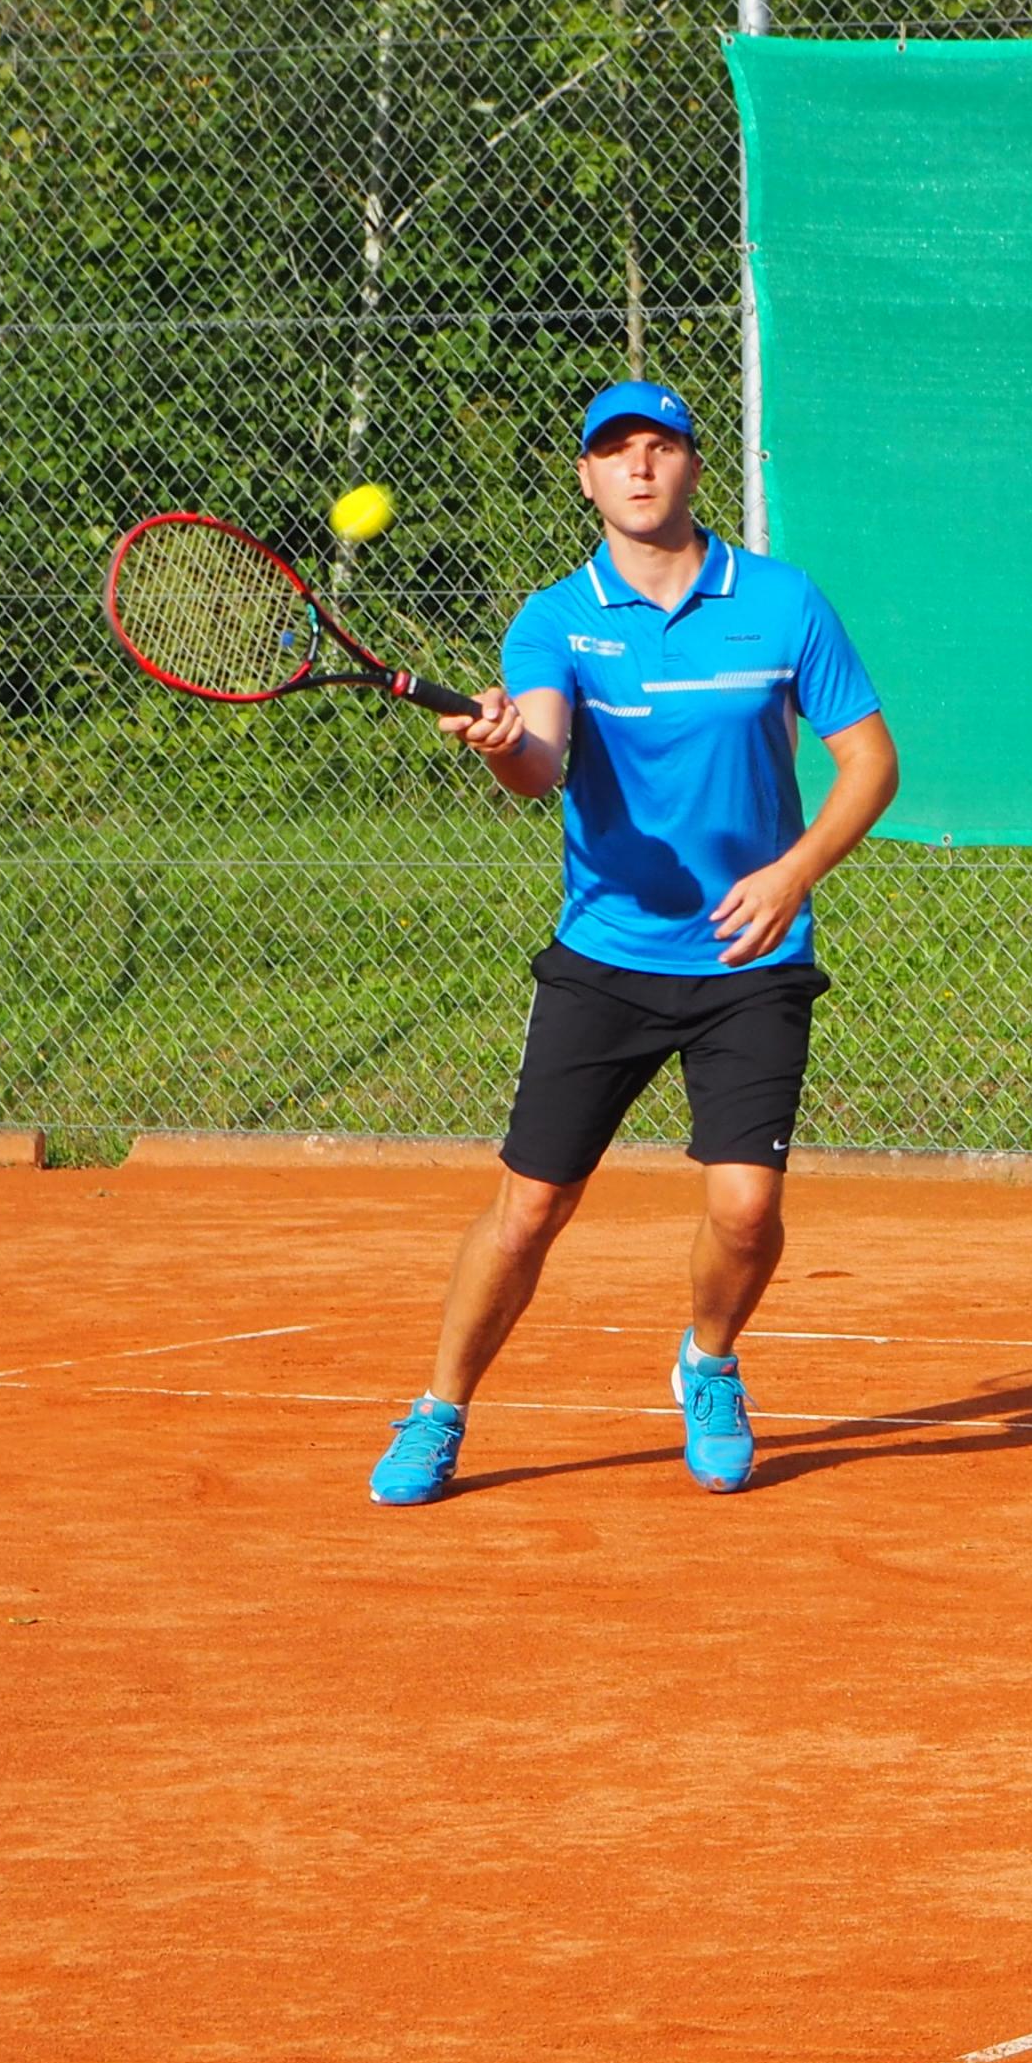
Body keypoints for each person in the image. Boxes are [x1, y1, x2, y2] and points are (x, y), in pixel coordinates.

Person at [366, 378, 898, 1506]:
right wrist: (502, 744)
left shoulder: (783, 601)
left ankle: (709, 1364)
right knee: (529, 1210)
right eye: (616, 451)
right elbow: (540, 766)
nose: (640, 467)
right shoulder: (556, 619)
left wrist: (793, 872)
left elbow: (870, 763)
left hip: (750, 957)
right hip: (607, 955)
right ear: (587, 478)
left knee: (746, 1211)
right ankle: (439, 1409)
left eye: (661, 446)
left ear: (696, 465)